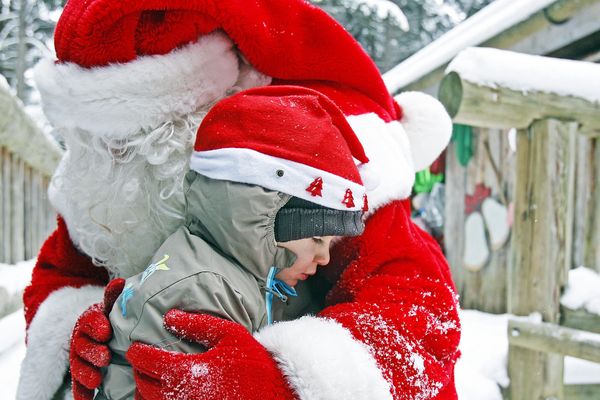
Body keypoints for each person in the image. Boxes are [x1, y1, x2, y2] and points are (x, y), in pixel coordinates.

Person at [18, 1, 460, 399]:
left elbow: (423, 322)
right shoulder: (102, 179)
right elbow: (62, 274)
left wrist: (285, 380)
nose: (113, 160)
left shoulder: (327, 170)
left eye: (130, 142)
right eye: (97, 141)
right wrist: (93, 337)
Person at [96, 85, 370, 399]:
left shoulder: (262, 278)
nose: (323, 258)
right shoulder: (199, 291)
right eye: (317, 238)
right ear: (262, 217)